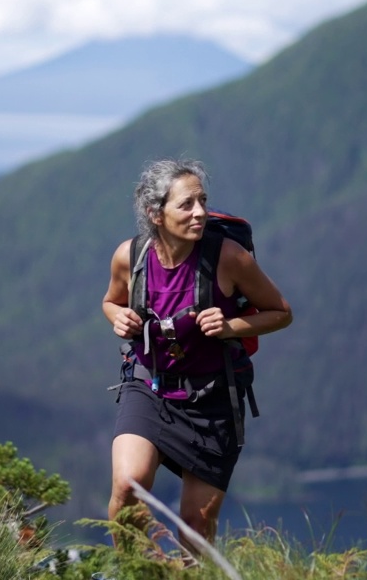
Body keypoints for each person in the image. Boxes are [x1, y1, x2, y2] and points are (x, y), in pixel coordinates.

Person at [102, 158, 293, 551]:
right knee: (126, 487)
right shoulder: (130, 257)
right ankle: (139, 573)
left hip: (212, 399)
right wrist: (117, 317)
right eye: (187, 204)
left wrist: (230, 326)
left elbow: (281, 313)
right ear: (156, 214)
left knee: (195, 527)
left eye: (203, 200)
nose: (200, 212)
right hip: (150, 388)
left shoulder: (229, 257)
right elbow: (110, 301)